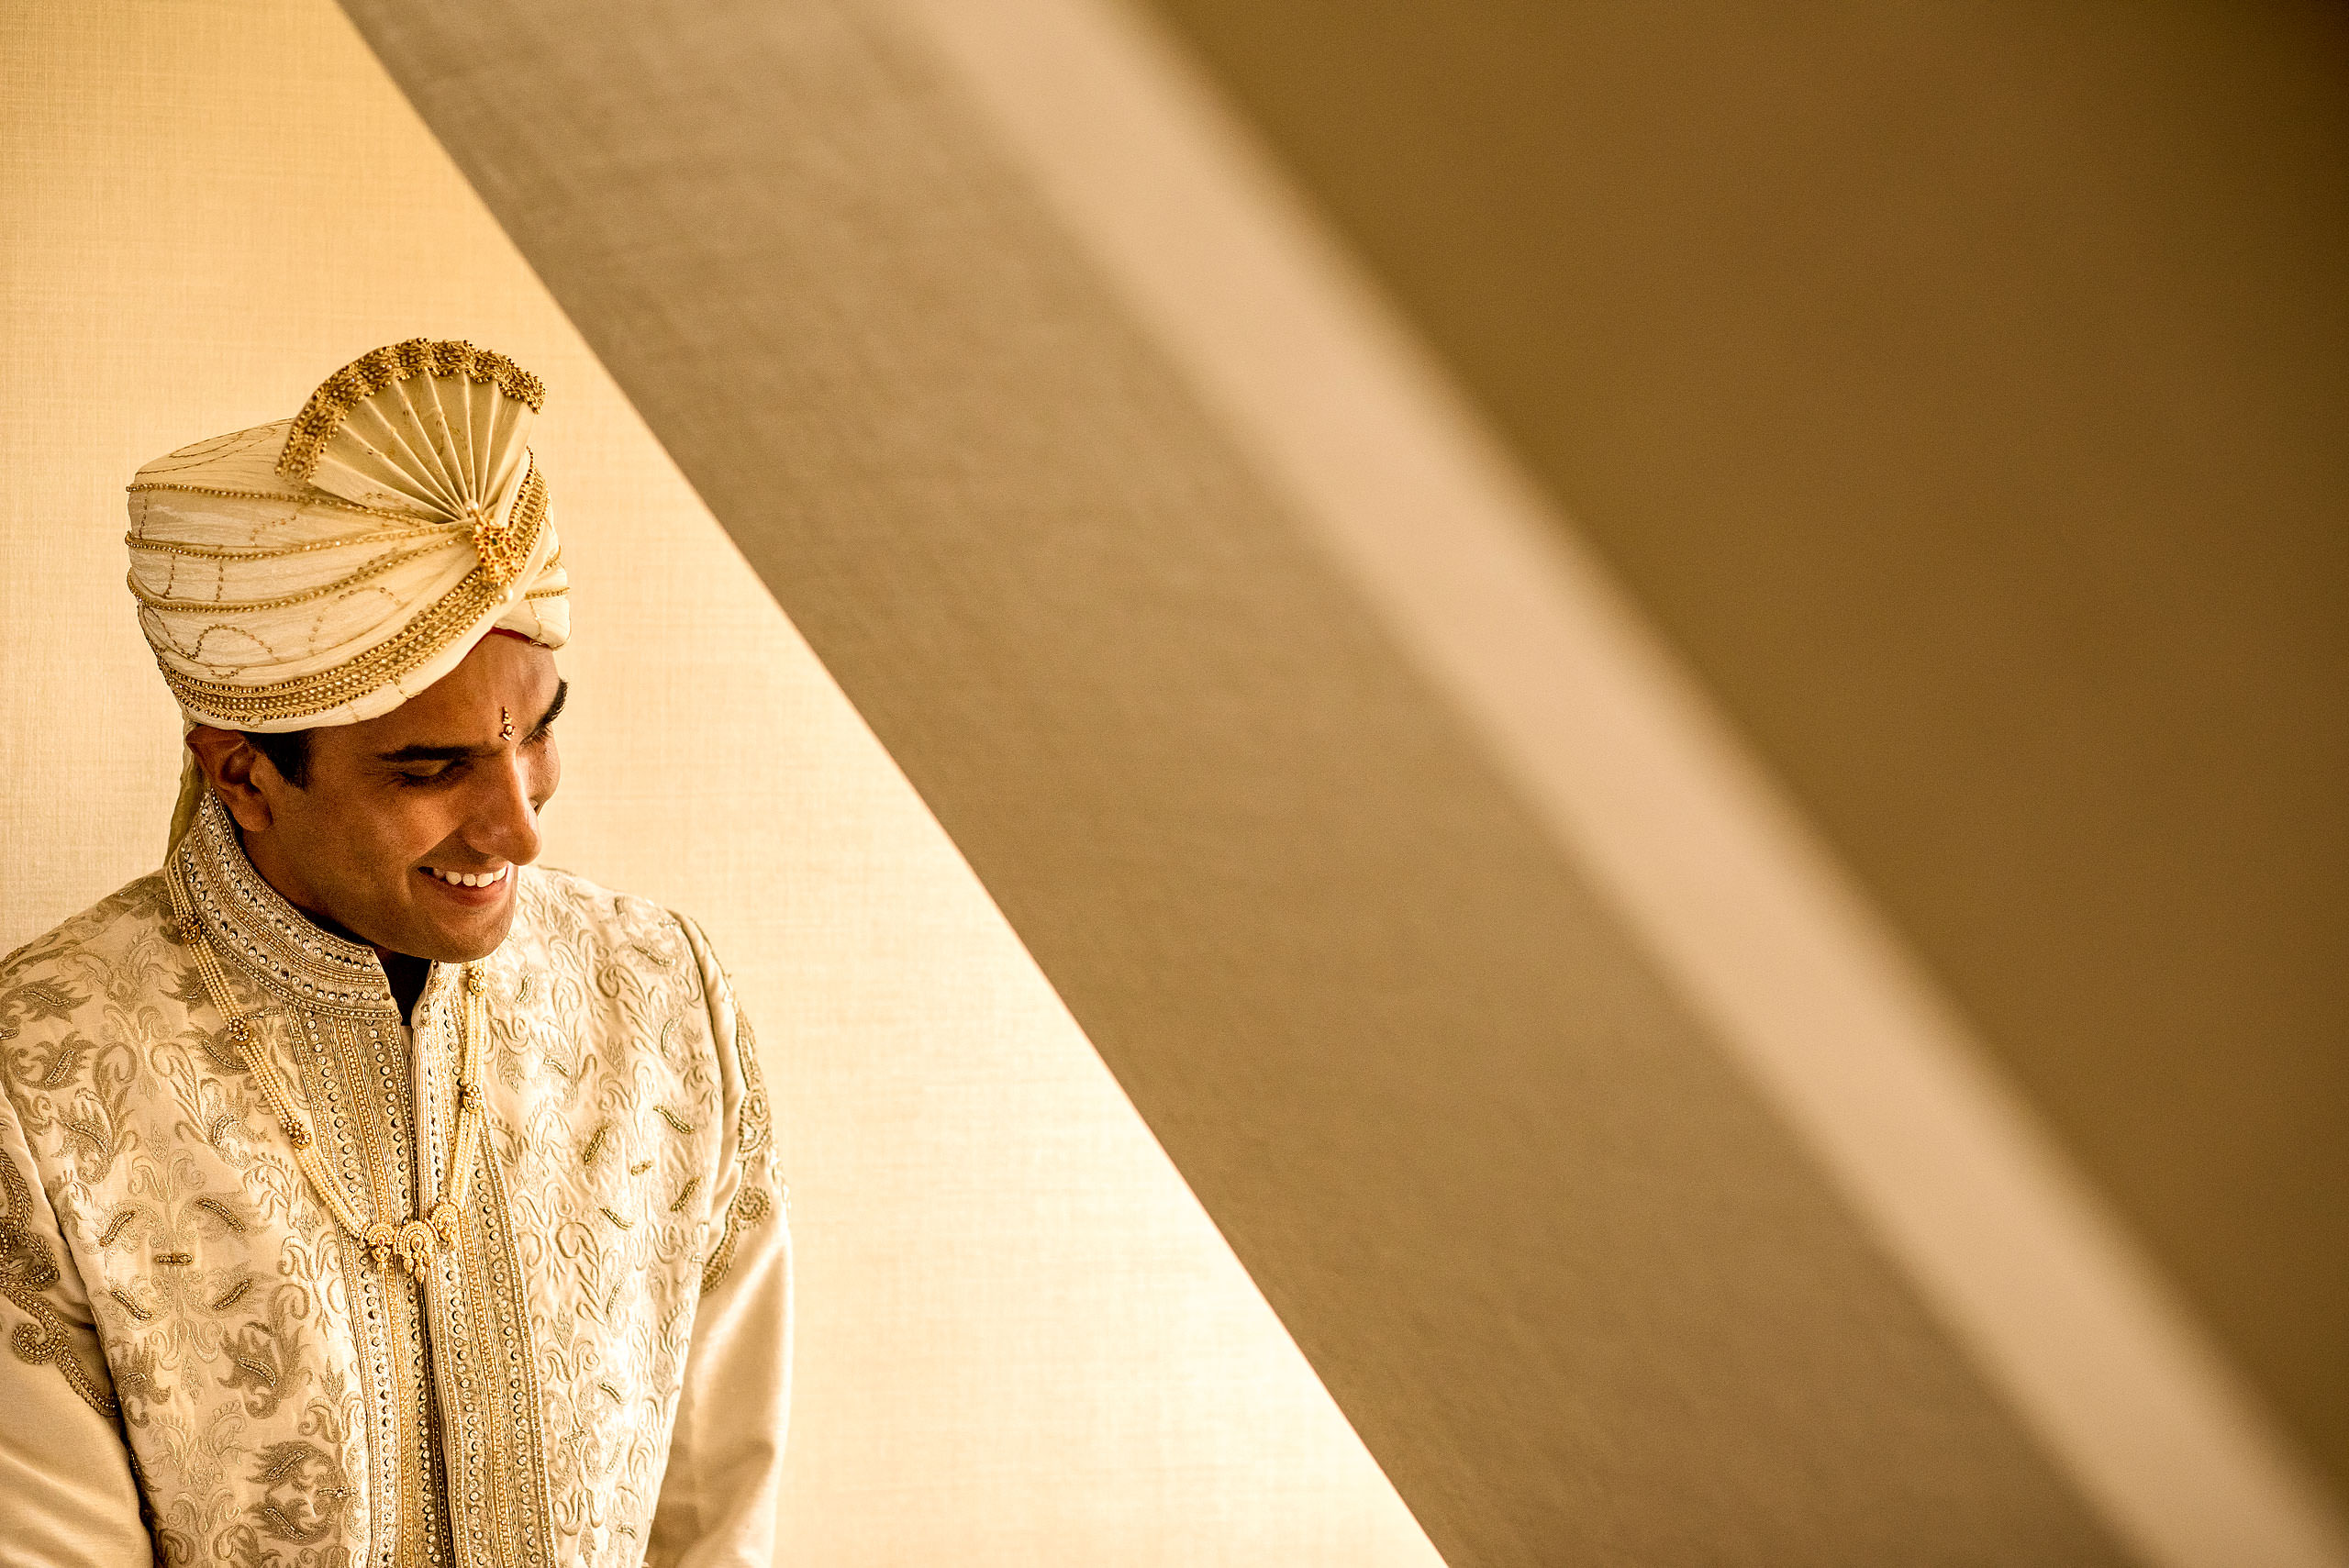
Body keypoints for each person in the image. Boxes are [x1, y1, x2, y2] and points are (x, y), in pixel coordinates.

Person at [0, 340, 789, 1568]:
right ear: (245, 774)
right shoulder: (44, 1082)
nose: (520, 823)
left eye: (538, 735)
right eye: (435, 768)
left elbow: (717, 1523)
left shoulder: (660, 1003)